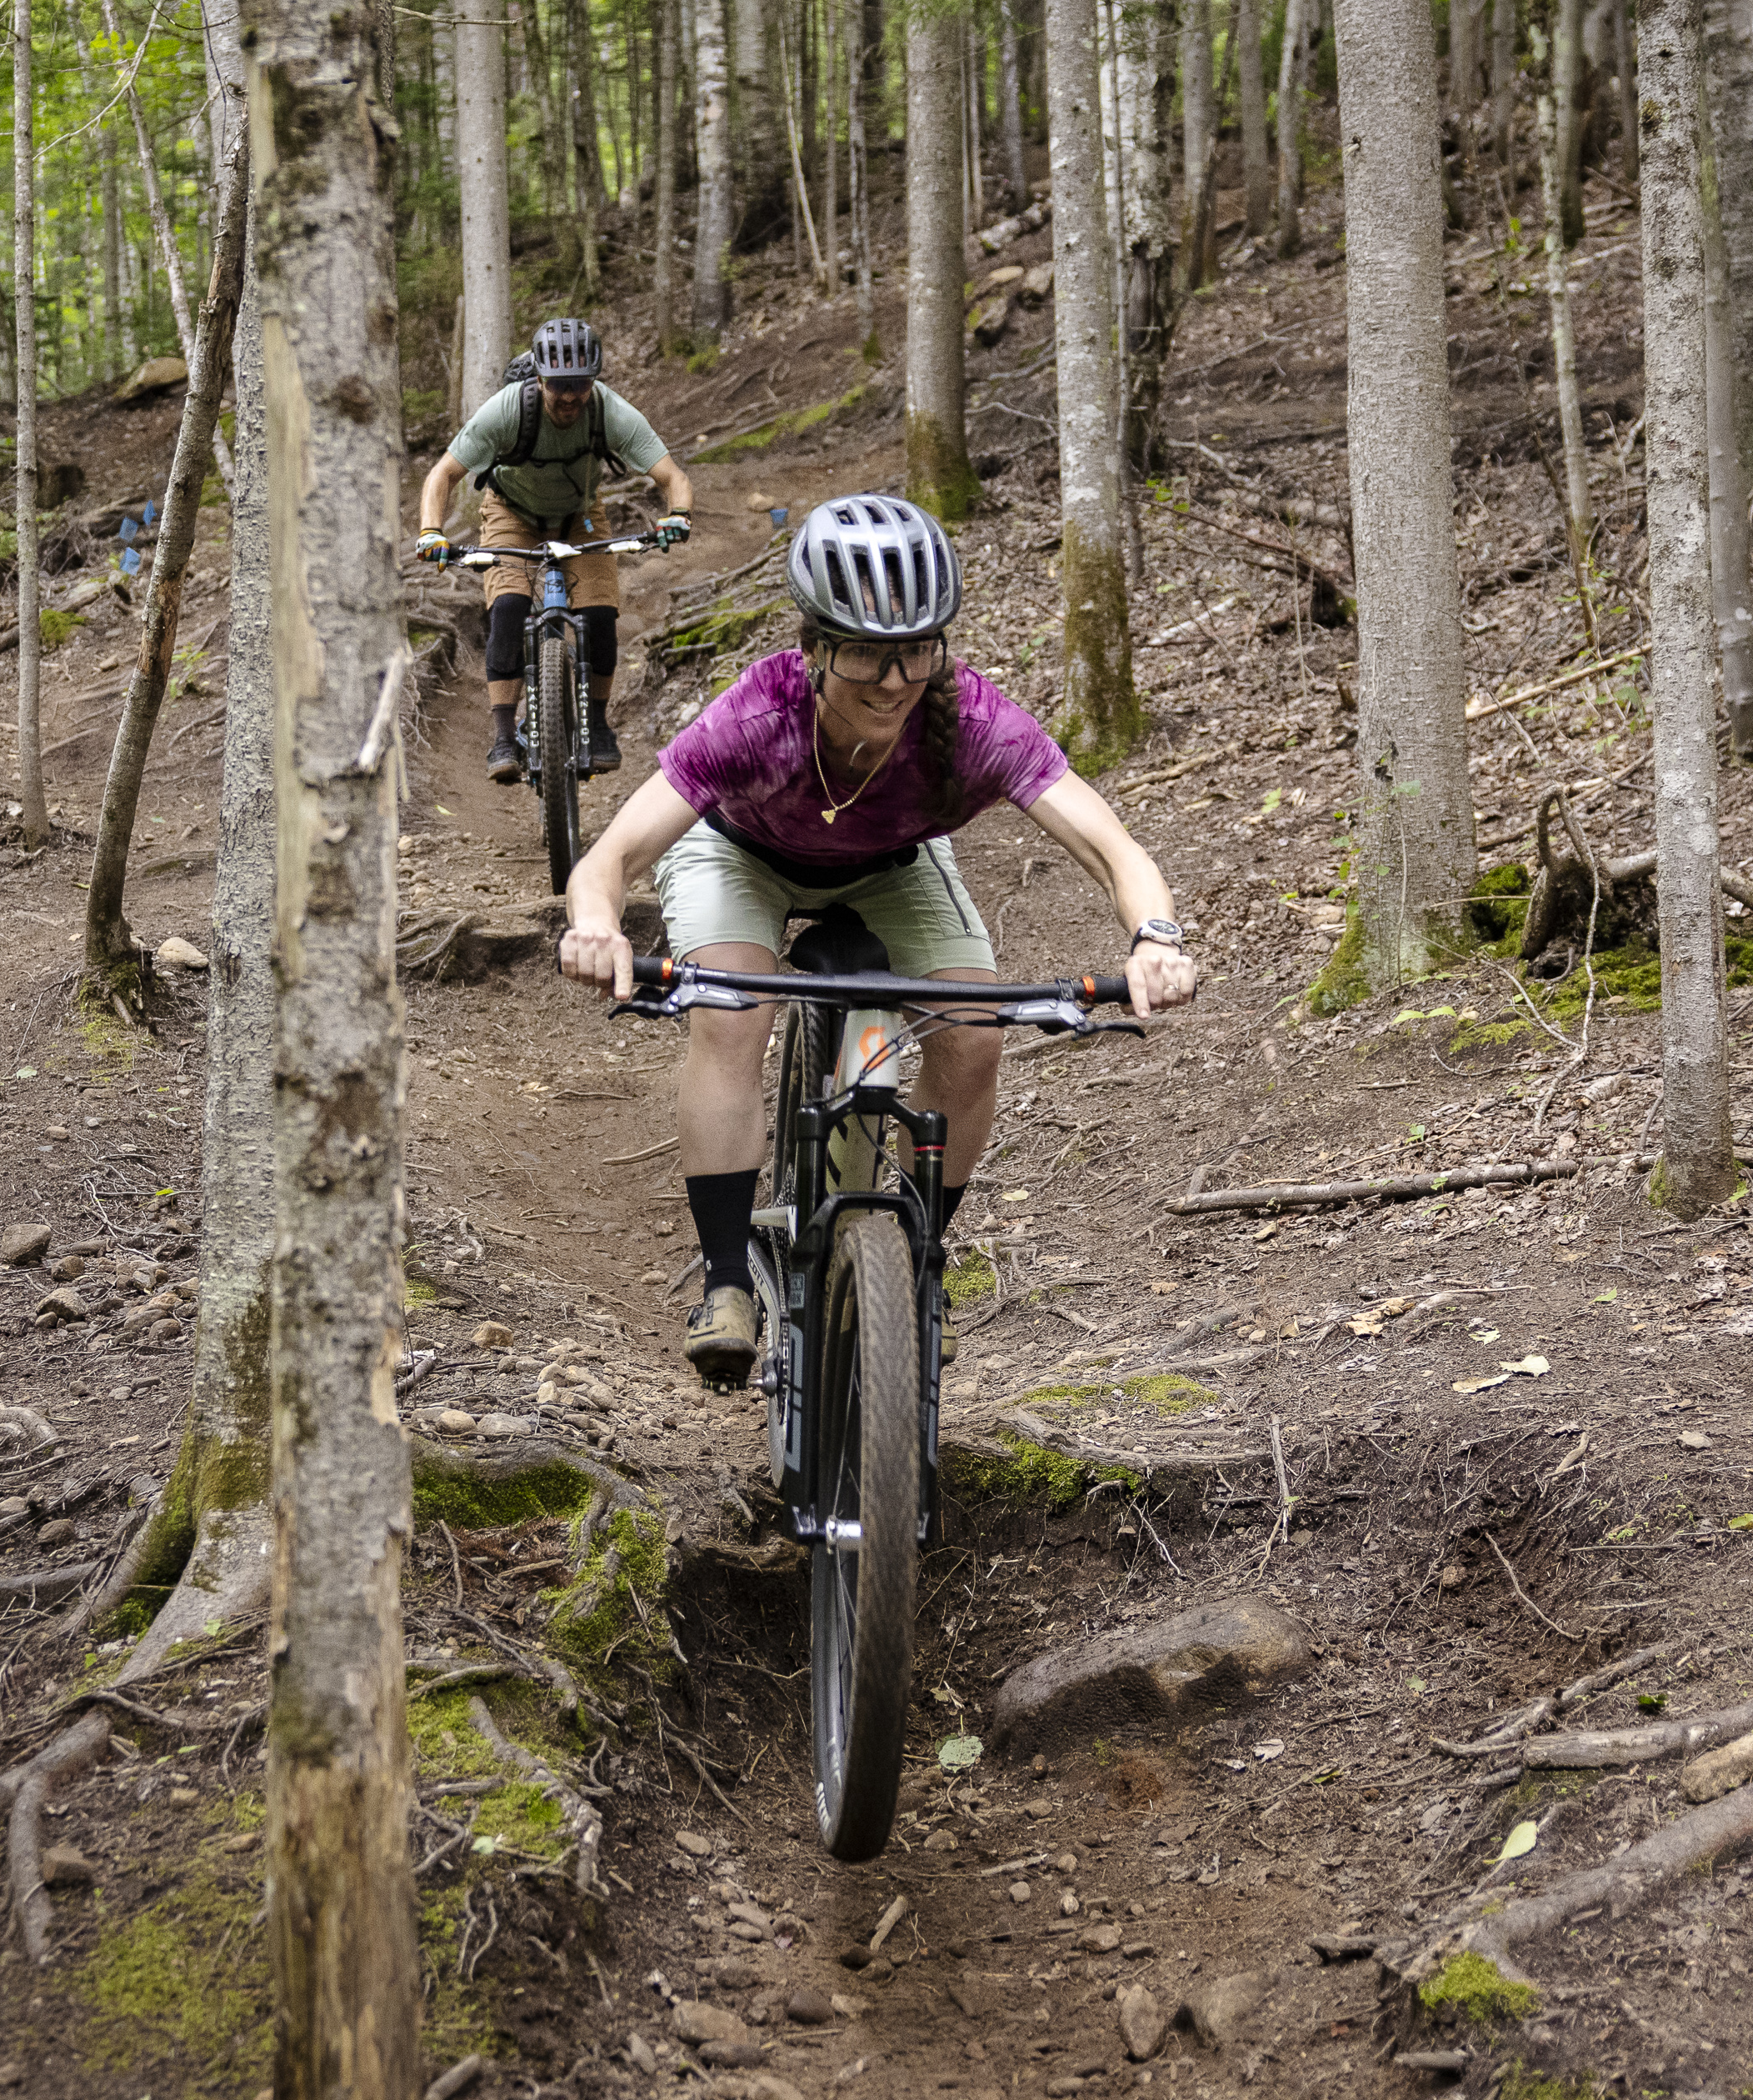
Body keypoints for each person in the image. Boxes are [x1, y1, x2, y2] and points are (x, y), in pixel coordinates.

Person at [554, 493, 1199, 1387]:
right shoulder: (756, 714)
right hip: (740, 855)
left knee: (972, 1034)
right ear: (814, 646)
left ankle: (919, 1258)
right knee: (731, 1010)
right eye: (863, 650)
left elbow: (1108, 845)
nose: (893, 680)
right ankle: (728, 1280)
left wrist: (1154, 936)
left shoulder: (971, 723)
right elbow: (611, 854)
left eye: (915, 650)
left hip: (894, 863)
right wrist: (594, 925)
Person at [411, 317, 702, 784]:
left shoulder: (610, 412)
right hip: (512, 513)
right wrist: (431, 531)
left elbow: (673, 477)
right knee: (507, 607)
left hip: (579, 515)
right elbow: (442, 474)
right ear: (540, 379)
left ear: (594, 380)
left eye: (580, 385)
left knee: (600, 613)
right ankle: (504, 737)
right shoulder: (507, 410)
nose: (569, 396)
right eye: (558, 386)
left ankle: (599, 725)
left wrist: (678, 516)